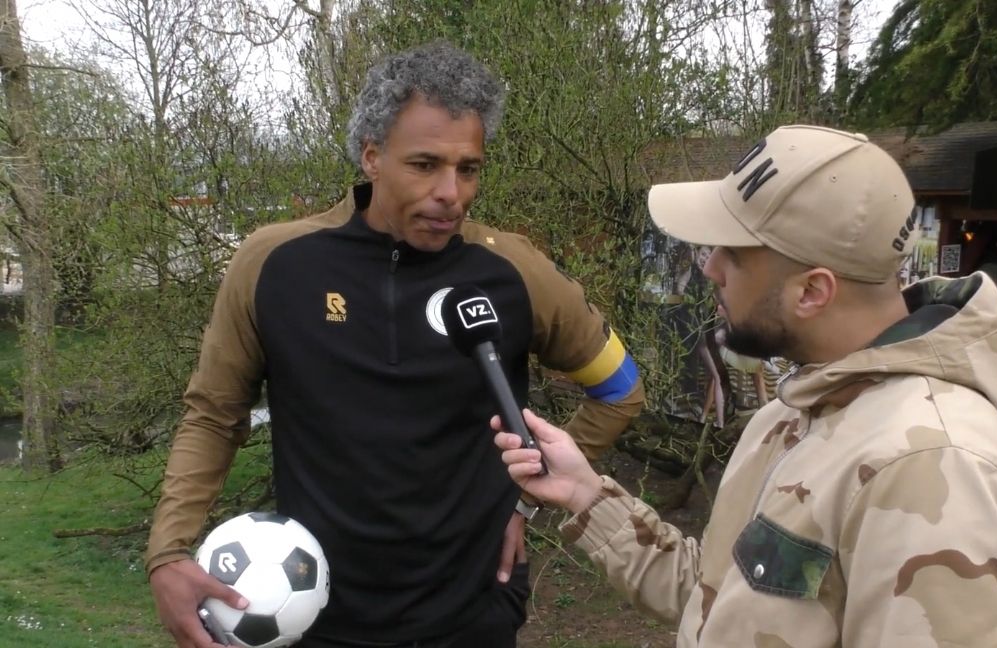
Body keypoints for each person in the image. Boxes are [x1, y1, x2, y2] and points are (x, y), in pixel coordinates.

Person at [146, 42, 645, 648]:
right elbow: (213, 415)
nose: (451, 192)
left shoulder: (512, 270)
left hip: (472, 611)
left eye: (468, 169)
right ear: (372, 156)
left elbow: (620, 389)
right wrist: (168, 550)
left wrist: (524, 502)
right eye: (425, 165)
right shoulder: (274, 263)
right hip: (313, 616)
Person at [493, 125, 997, 647]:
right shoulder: (794, 412)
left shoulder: (933, 466)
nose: (710, 268)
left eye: (732, 254)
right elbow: (717, 600)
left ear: (811, 292)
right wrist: (585, 495)